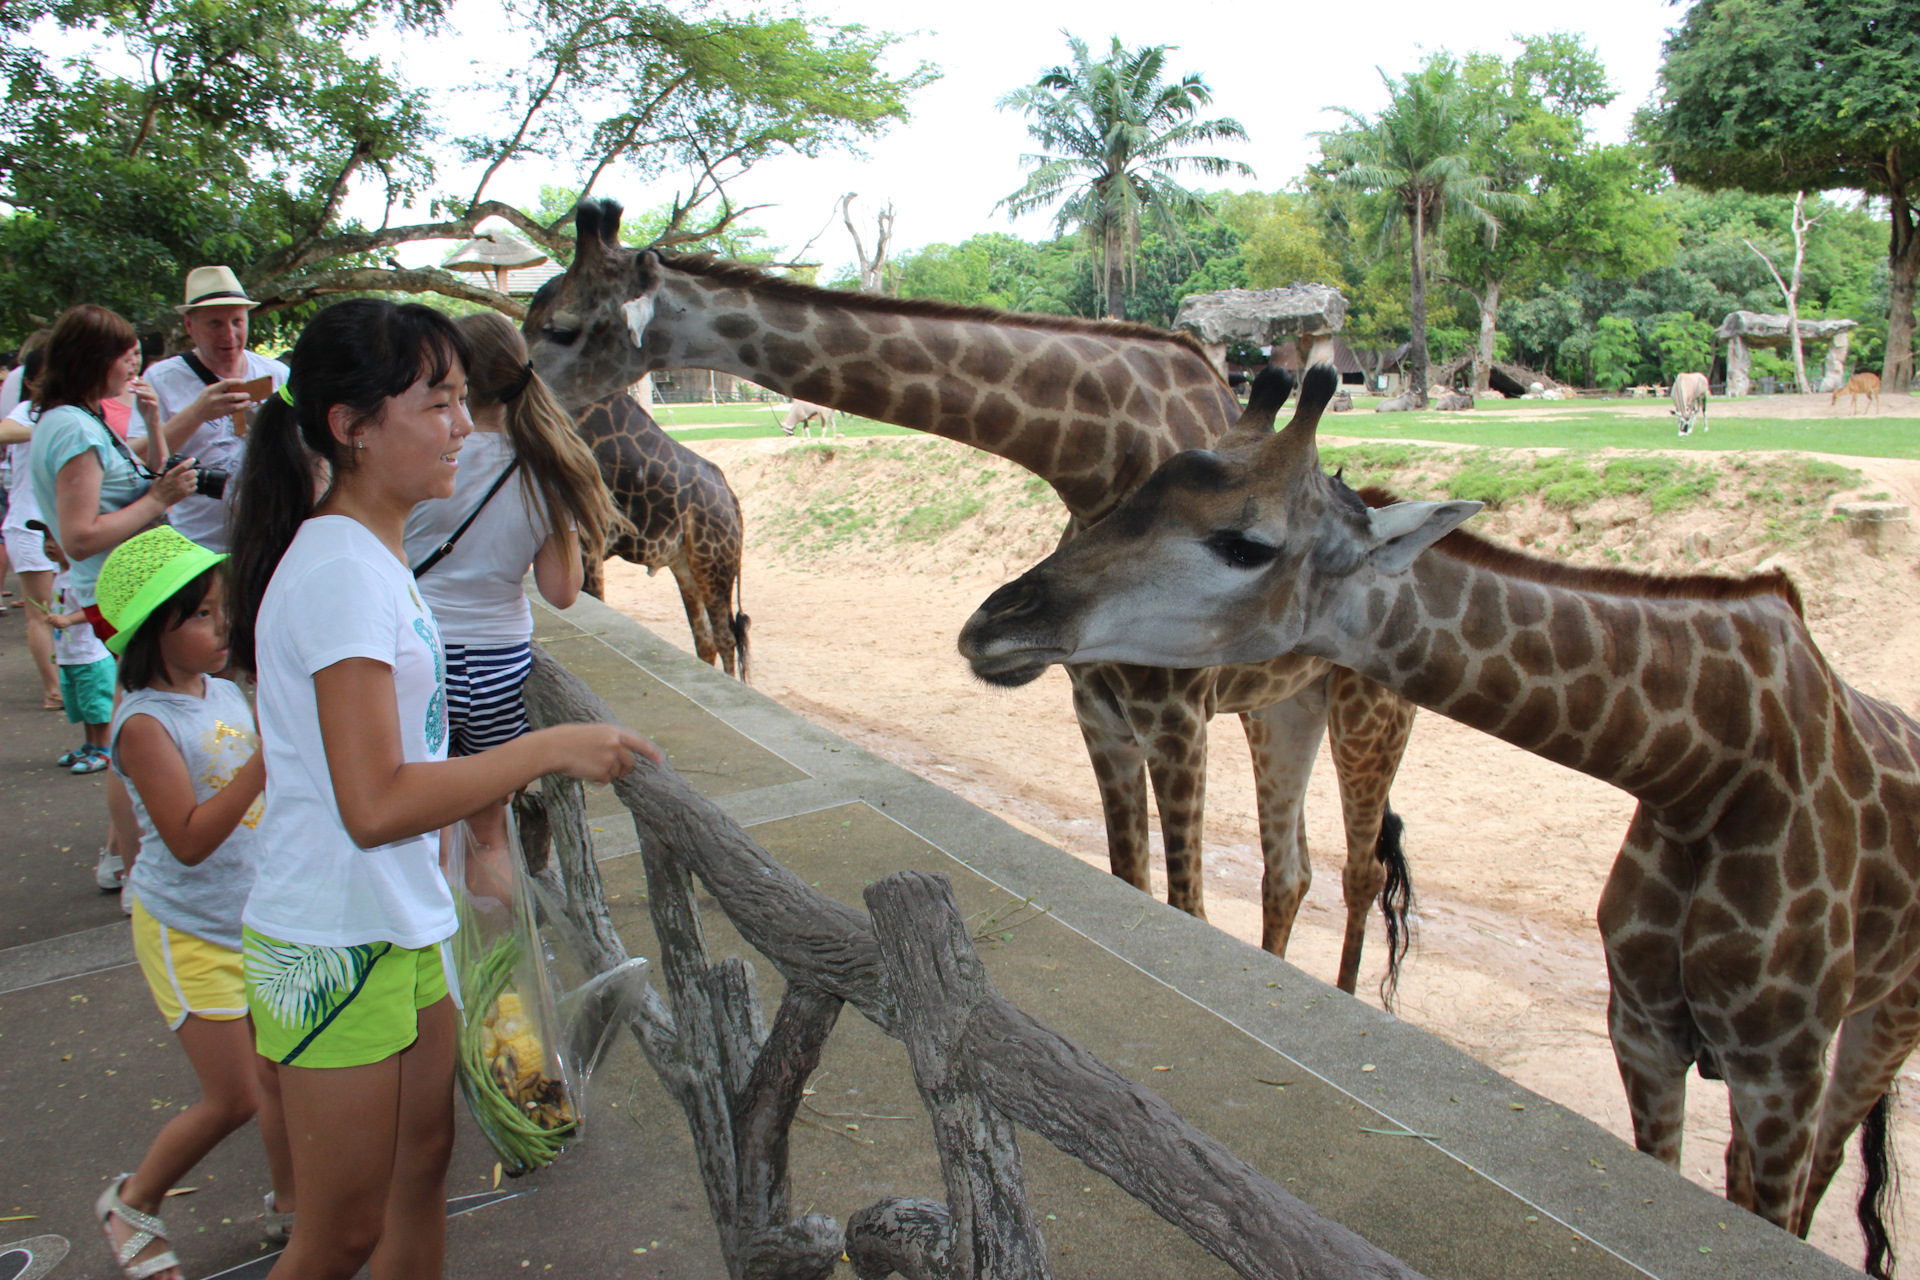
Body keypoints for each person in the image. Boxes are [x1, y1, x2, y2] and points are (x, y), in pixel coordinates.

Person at [225, 298, 657, 1280]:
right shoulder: (338, 569)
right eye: (440, 402)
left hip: (404, 916)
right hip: (335, 938)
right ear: (353, 425)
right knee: (336, 1234)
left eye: (465, 398)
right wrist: (544, 748)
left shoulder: (376, 551)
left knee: (421, 1167)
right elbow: (373, 802)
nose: (465, 425)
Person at [90, 526, 296, 1280]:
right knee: (235, 1097)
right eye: (202, 617)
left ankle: (292, 1205)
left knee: (278, 1073)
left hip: (250, 919)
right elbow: (185, 839)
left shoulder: (221, 690)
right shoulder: (144, 725)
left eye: (219, 610)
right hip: (188, 934)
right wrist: (267, 762)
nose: (222, 627)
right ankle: (133, 1203)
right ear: (154, 632)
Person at [402, 312, 628, 855]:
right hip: (497, 665)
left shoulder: (424, 455)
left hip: (416, 656)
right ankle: (502, 941)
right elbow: (561, 591)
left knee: (419, 821)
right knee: (488, 832)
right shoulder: (548, 468)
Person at [21, 305, 200, 892]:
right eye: (124, 352)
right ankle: (133, 867)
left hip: (128, 585)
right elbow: (80, 533)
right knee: (143, 733)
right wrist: (161, 500)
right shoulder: (73, 426)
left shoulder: (80, 417)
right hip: (126, 589)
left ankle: (124, 858)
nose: (134, 361)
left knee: (143, 724)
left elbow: (127, 483)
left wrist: (151, 425)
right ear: (92, 358)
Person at [146, 266, 287, 552]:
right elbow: (145, 465)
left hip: (270, 538)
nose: (230, 334)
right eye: (214, 323)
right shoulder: (160, 380)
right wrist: (197, 413)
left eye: (237, 321)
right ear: (189, 326)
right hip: (197, 542)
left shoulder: (277, 374)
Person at [3, 346, 61, 708]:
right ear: (32, 381)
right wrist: (47, 429)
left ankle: (71, 685)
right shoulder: (27, 412)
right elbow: (6, 431)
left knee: (67, 609)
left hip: (63, 528)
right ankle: (53, 690)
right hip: (29, 527)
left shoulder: (82, 412)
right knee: (41, 613)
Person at [33, 519, 116, 774]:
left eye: (54, 538)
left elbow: (97, 607)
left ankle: (104, 749)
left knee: (96, 706)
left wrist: (68, 619)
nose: (48, 545)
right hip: (70, 655)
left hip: (90, 654)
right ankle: (90, 745)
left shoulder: (83, 576)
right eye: (45, 538)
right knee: (81, 705)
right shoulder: (59, 575)